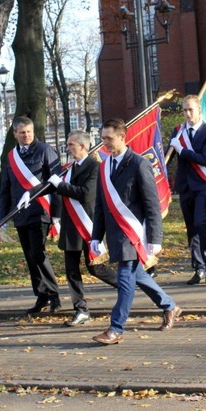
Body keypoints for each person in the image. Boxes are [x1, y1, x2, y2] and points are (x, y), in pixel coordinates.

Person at [90, 118, 181, 345]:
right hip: (115, 235)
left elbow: (152, 204)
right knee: (138, 276)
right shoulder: (104, 166)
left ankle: (116, 328)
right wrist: (95, 236)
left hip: (134, 236)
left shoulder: (139, 164)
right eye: (102, 139)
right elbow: (101, 205)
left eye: (108, 139)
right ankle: (170, 306)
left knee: (125, 279)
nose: (104, 144)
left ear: (122, 137)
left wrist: (155, 238)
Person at [35, 130, 119, 327]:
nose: (67, 148)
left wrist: (60, 186)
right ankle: (80, 309)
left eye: (71, 144)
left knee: (96, 268)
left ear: (82, 146)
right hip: (70, 225)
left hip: (88, 224)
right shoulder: (69, 168)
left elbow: (85, 194)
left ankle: (125, 286)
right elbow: (56, 190)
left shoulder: (95, 167)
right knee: (71, 270)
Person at [0, 117, 62, 315]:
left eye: (29, 132)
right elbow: (6, 188)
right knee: (29, 257)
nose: (26, 136)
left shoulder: (45, 151)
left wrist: (57, 216)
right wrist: (3, 217)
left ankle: (54, 295)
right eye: (22, 132)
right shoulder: (10, 157)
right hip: (20, 214)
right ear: (14, 134)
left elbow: (56, 183)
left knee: (38, 254)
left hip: (40, 212)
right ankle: (41, 295)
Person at [169, 95, 206, 284]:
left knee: (200, 223)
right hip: (184, 186)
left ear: (199, 110)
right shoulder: (178, 131)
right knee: (191, 227)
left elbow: (204, 158)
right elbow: (169, 155)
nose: (187, 114)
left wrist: (182, 151)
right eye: (184, 110)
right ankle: (198, 268)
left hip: (201, 185)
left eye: (191, 109)